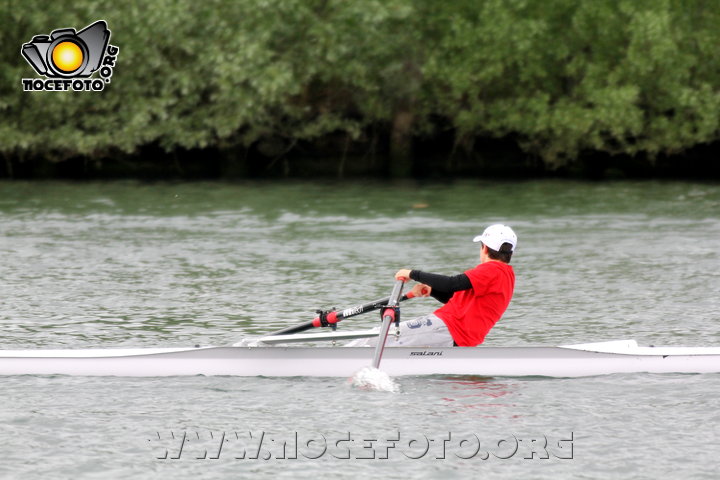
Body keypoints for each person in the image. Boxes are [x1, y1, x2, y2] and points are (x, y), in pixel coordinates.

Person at [347, 224, 516, 347]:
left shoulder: (491, 270)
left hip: (448, 328)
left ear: (484, 248)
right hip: (459, 336)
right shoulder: (506, 275)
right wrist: (433, 290)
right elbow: (457, 298)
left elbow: (452, 283)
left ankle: (334, 358)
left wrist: (412, 274)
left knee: (379, 334)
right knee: (390, 338)